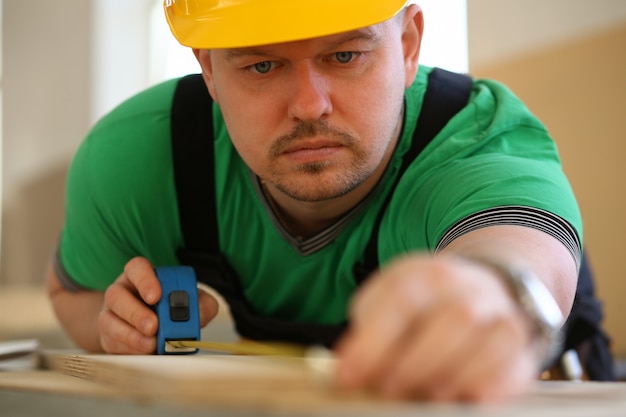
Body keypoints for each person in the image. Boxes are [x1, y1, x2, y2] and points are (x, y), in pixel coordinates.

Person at [46, 0, 583, 403]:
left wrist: (493, 295)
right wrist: (119, 326)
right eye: (262, 66)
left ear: (407, 44)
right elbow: (75, 295)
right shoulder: (136, 156)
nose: (309, 106)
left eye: (345, 54)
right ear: (208, 67)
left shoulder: (474, 140)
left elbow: (521, 254)